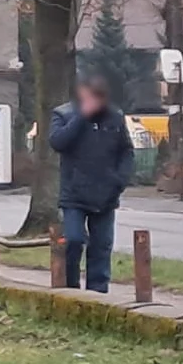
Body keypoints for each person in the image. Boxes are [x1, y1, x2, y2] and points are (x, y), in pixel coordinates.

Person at [48, 73, 135, 293]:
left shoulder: (114, 117)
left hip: (106, 194)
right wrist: (81, 118)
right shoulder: (64, 114)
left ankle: (98, 291)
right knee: (74, 240)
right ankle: (70, 287)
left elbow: (126, 150)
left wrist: (119, 180)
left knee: (101, 245)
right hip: (74, 194)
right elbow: (58, 142)